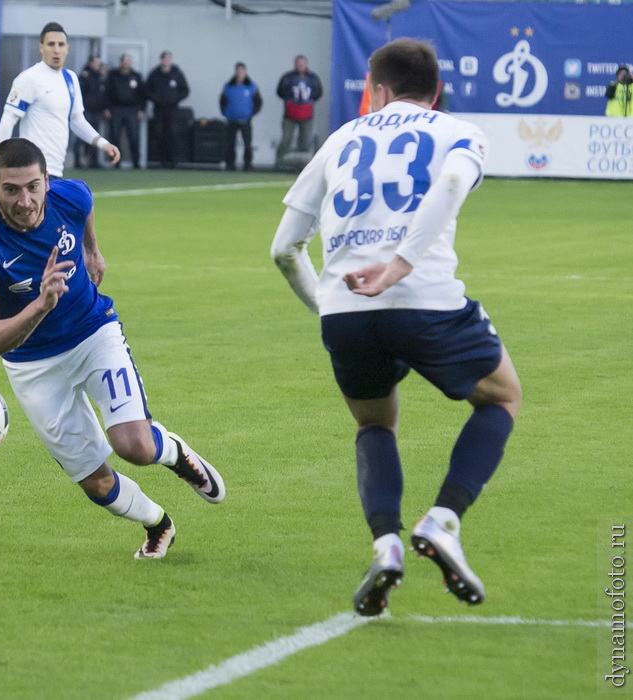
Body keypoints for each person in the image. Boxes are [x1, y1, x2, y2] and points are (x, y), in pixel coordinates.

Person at [270, 38, 522, 617]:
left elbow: (284, 248)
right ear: (434, 92)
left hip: (346, 312)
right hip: (424, 301)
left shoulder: (338, 139)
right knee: (503, 397)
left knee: (374, 422)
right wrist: (400, 265)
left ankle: (386, 544)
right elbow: (452, 185)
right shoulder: (457, 131)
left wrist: (328, 306)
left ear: (376, 88)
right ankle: (443, 521)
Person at [0, 137, 226, 559]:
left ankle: (174, 453)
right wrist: (41, 305)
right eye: (11, 189)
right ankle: (159, 524)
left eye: (32, 186)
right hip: (32, 365)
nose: (24, 201)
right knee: (96, 482)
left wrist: (91, 249)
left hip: (92, 332)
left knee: (134, 447)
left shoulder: (72, 195)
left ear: (47, 180)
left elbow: (86, 204)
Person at [0, 22, 120, 178]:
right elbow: (8, 120)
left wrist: (103, 143)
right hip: (31, 171)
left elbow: (77, 120)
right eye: (51, 44)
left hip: (55, 170)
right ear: (41, 47)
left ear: (67, 48)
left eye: (61, 45)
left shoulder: (70, 79)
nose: (56, 50)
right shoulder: (30, 78)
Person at [274, 55, 323, 169]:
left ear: (306, 64)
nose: (300, 66)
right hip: (290, 114)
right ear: (295, 64)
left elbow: (318, 92)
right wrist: (291, 102)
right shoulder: (288, 77)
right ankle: (281, 163)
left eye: (302, 63)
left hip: (307, 114)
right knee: (286, 138)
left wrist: (308, 103)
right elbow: (280, 91)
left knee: (305, 140)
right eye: (298, 63)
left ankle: (303, 165)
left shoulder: (312, 78)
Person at [145, 50, 190, 169]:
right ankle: (162, 161)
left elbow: (185, 90)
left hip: (173, 109)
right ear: (161, 60)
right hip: (159, 109)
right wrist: (157, 99)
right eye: (164, 59)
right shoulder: (154, 74)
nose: (166, 61)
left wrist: (175, 99)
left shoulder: (177, 73)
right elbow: (147, 91)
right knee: (160, 134)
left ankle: (174, 161)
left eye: (168, 58)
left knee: (173, 133)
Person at [104, 54, 146, 170]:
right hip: (116, 109)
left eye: (128, 61)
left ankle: (136, 162)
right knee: (115, 136)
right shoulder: (113, 75)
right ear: (121, 62)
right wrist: (107, 108)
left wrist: (141, 109)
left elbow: (142, 95)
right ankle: (116, 162)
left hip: (132, 110)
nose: (126, 63)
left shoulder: (136, 76)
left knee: (133, 137)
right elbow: (107, 92)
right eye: (124, 61)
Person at [219, 62, 262, 171]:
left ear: (245, 72)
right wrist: (225, 112)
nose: (240, 72)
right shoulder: (228, 86)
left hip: (245, 120)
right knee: (230, 143)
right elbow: (222, 101)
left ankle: (247, 164)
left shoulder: (251, 86)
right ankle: (230, 164)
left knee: (247, 143)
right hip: (231, 119)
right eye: (238, 70)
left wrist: (251, 113)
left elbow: (258, 102)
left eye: (242, 70)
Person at [73, 55, 107, 168]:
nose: (98, 65)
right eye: (96, 62)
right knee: (81, 136)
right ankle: (78, 161)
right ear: (90, 63)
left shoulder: (100, 76)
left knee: (95, 136)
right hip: (86, 110)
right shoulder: (84, 76)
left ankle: (93, 161)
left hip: (97, 111)